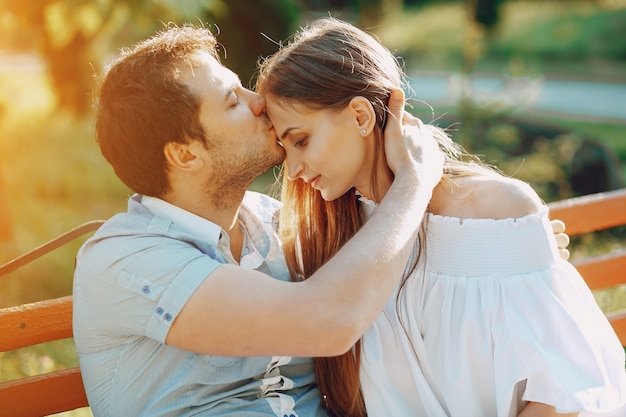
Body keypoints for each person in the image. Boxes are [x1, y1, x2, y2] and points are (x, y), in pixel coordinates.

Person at [255, 17, 626, 417]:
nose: (290, 170)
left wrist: (518, 243)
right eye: (284, 147)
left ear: (361, 117)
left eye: (301, 140)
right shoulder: (337, 243)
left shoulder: (496, 211)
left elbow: (563, 392)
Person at [72, 23, 444, 416]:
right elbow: (328, 322)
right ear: (185, 155)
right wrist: (414, 181)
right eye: (233, 101)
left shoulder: (274, 224)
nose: (260, 102)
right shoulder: (126, 261)